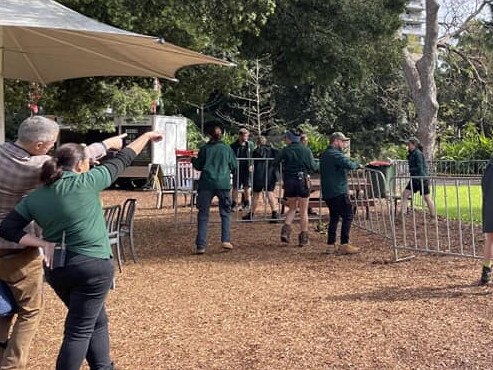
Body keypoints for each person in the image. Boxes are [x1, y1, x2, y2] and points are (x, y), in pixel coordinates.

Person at [0, 130, 162, 370]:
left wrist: (42, 243)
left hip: (57, 268)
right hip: (92, 265)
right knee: (79, 328)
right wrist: (146, 136)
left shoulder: (36, 197)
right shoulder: (87, 181)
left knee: (95, 319)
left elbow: (7, 227)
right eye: (88, 162)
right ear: (81, 164)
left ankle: (103, 366)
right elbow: (124, 157)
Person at [192, 125, 237, 254]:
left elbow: (199, 166)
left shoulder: (204, 149)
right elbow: (234, 165)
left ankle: (201, 245)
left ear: (209, 136)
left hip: (206, 183)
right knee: (225, 213)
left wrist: (193, 160)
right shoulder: (227, 149)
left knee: (203, 214)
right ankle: (226, 240)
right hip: (223, 184)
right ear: (221, 135)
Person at [274, 128, 318, 246]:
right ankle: (304, 239)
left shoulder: (285, 150)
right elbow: (313, 167)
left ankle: (285, 232)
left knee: (292, 208)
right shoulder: (306, 150)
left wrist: (280, 176)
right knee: (303, 211)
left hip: (289, 181)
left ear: (289, 138)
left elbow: (275, 163)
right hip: (302, 181)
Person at [320, 132, 361, 255]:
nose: (344, 144)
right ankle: (344, 244)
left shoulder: (325, 154)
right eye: (342, 141)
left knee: (334, 217)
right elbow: (349, 164)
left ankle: (330, 245)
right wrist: (357, 164)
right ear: (336, 141)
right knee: (348, 214)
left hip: (328, 192)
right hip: (338, 190)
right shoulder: (335, 154)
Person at [242, 136, 279, 222]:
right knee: (270, 193)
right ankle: (275, 213)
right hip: (270, 175)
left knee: (255, 195)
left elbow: (253, 162)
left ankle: (251, 214)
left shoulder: (256, 151)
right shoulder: (272, 150)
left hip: (259, 175)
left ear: (258, 143)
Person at [400, 137, 436, 219]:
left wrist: (409, 170)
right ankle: (402, 215)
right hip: (414, 178)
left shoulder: (418, 154)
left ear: (414, 145)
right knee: (405, 194)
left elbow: (419, 167)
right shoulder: (411, 154)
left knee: (426, 198)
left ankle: (433, 216)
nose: (407, 146)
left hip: (421, 179)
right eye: (407, 144)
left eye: (409, 144)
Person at [230, 128, 254, 212]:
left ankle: (247, 203)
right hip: (237, 168)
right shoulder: (233, 146)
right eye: (244, 136)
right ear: (240, 136)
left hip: (247, 169)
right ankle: (234, 203)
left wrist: (251, 164)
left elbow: (252, 155)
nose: (246, 138)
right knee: (235, 186)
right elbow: (231, 157)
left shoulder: (250, 144)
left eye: (247, 136)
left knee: (247, 186)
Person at [479, 159, 493, 285]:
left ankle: (486, 271)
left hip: (489, 206)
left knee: (490, 238)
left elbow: (484, 184)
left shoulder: (489, 165)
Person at [300, 134, 318, 216]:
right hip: (303, 175)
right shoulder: (306, 150)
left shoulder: (306, 150)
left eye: (307, 141)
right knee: (306, 190)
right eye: (305, 140)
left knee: (309, 189)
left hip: (303, 174)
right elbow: (312, 165)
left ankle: (307, 207)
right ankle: (306, 208)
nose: (306, 142)